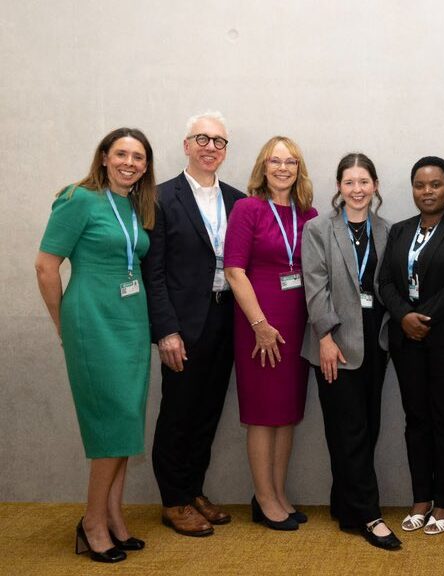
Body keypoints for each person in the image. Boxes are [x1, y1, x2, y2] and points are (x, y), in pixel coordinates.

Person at [36, 127, 157, 563]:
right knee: (110, 423)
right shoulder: (78, 198)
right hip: (93, 321)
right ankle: (91, 523)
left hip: (130, 321)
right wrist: (63, 324)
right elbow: (46, 266)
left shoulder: (133, 204)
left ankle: (113, 517)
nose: (130, 162)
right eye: (121, 153)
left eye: (138, 157)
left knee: (126, 422)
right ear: (104, 157)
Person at [142, 112, 245, 537]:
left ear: (225, 151)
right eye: (202, 138)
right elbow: (154, 271)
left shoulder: (238, 200)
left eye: (219, 141)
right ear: (186, 145)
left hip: (226, 319)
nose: (210, 147)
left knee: (208, 411)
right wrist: (165, 330)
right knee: (178, 414)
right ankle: (174, 500)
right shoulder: (161, 197)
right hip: (183, 326)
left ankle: (193, 489)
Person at [300, 153, 399, 550]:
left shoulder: (388, 230)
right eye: (349, 182)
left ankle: (345, 506)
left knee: (368, 427)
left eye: (364, 182)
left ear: (374, 186)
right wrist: (325, 337)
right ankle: (370, 516)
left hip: (376, 340)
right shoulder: (318, 229)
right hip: (335, 343)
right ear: (338, 187)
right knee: (350, 430)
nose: (357, 190)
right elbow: (315, 286)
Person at [378, 156, 444, 536]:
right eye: (420, 185)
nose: (427, 191)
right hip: (408, 342)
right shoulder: (400, 231)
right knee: (416, 418)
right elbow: (385, 280)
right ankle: (421, 497)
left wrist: (423, 317)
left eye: (435, 184)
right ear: (412, 189)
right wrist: (404, 315)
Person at [224, 136, 317, 532]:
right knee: (263, 416)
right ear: (263, 167)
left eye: (291, 161)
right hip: (259, 325)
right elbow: (234, 271)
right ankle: (263, 499)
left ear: (299, 169)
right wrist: (260, 325)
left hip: (298, 325)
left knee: (287, 414)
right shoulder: (248, 209)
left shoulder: (308, 214)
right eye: (275, 161)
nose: (283, 168)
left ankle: (278, 493)